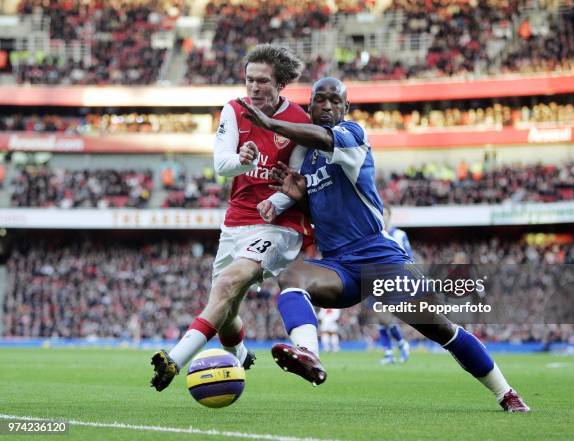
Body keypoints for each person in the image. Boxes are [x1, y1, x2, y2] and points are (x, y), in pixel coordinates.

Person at [238, 77, 530, 412]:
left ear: (346, 108)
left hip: (379, 257)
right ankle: (309, 355)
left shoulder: (352, 135)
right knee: (291, 277)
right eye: (321, 100)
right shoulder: (305, 161)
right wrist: (299, 198)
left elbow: (323, 137)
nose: (328, 107)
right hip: (339, 265)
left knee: (440, 329)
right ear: (311, 106)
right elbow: (322, 214)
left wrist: (271, 122)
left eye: (336, 101)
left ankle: (505, 392)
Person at [150, 44, 312, 391]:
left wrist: (279, 201)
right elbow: (222, 166)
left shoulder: (299, 120)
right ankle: (240, 354)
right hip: (236, 219)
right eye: (249, 80)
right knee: (224, 309)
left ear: (281, 83)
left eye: (263, 81)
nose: (254, 87)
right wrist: (244, 159)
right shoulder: (234, 110)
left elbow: (296, 180)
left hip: (278, 226)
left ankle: (173, 362)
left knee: (225, 286)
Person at [377, 206, 412, 364]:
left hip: (395, 280)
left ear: (390, 216)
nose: (383, 217)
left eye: (385, 214)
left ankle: (398, 345)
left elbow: (408, 257)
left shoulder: (399, 235)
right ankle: (391, 352)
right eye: (380, 214)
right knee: (381, 319)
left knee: (386, 316)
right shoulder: (375, 235)